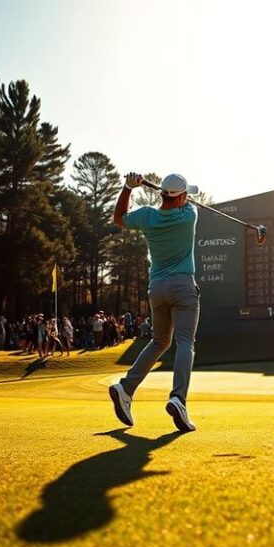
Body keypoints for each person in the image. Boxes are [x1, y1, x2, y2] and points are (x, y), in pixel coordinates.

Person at [109, 172, 200, 432]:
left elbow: (119, 218)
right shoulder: (189, 216)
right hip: (183, 286)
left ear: (161, 194)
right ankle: (178, 399)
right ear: (182, 196)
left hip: (157, 287)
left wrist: (128, 188)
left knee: (160, 341)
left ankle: (126, 388)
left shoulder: (147, 216)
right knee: (185, 342)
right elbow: (189, 203)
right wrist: (177, 195)